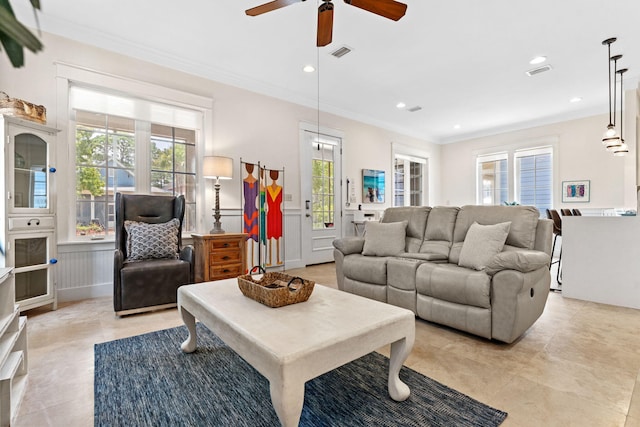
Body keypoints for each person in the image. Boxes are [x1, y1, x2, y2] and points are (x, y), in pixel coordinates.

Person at [266, 169, 283, 266]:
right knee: (269, 237)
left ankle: (278, 259)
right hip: (271, 214)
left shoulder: (280, 188)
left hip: (277, 214)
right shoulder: (266, 188)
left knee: (277, 237)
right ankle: (268, 260)